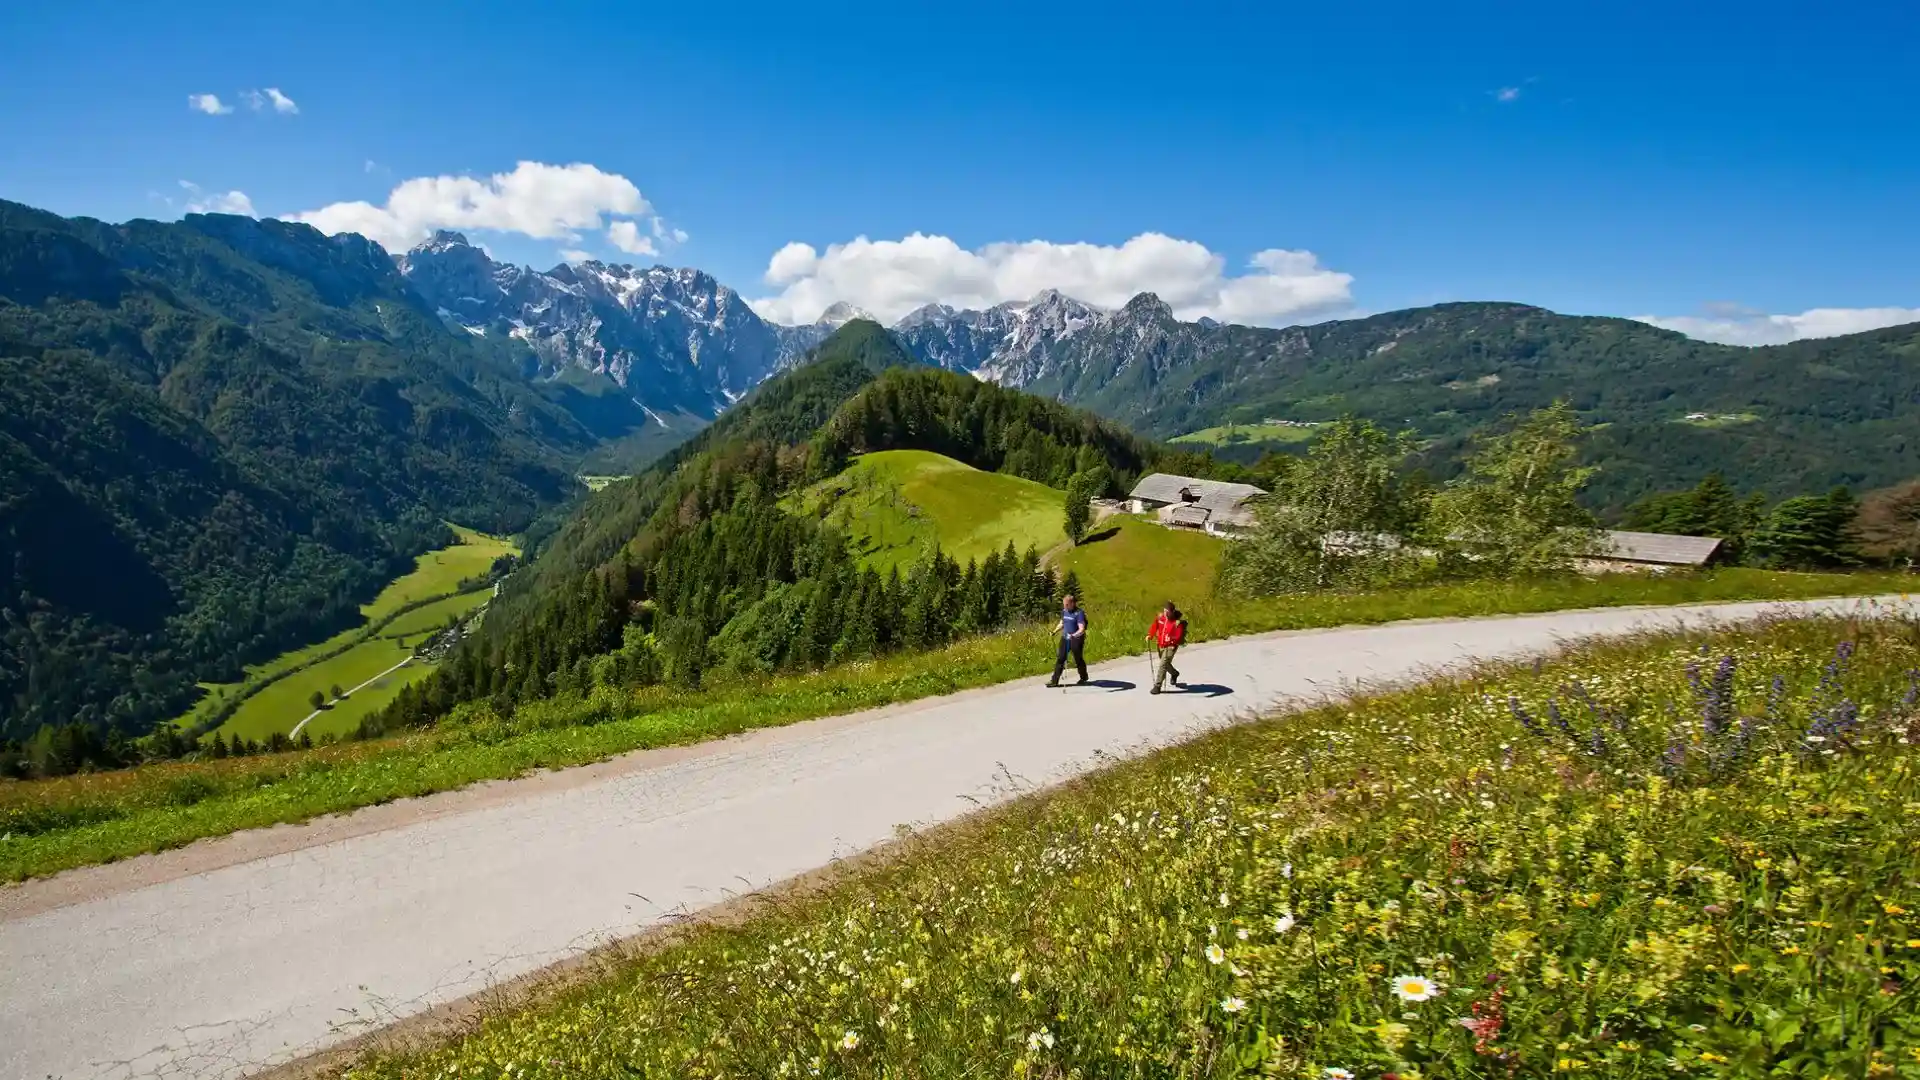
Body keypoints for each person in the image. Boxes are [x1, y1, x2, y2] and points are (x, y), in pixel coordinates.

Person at [1046, 594, 1089, 687]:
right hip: (1065, 638)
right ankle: (1054, 681)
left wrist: (1073, 635)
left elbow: (1082, 629)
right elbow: (1062, 623)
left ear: (1072, 603)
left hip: (1076, 639)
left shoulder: (1079, 613)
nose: (1064, 606)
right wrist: (1054, 631)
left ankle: (1084, 677)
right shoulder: (1065, 611)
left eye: (1066, 604)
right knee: (1061, 658)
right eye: (1064, 604)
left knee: (1078, 659)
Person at [1147, 601, 1187, 694]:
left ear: (1172, 612)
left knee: (1163, 664)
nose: (1166, 613)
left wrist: (1171, 640)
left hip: (1171, 646)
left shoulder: (1177, 623)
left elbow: (1178, 636)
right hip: (1161, 644)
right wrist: (1150, 635)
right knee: (1165, 663)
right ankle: (1174, 673)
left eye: (1168, 611)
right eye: (1165, 611)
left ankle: (1157, 686)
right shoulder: (1160, 618)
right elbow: (1155, 626)